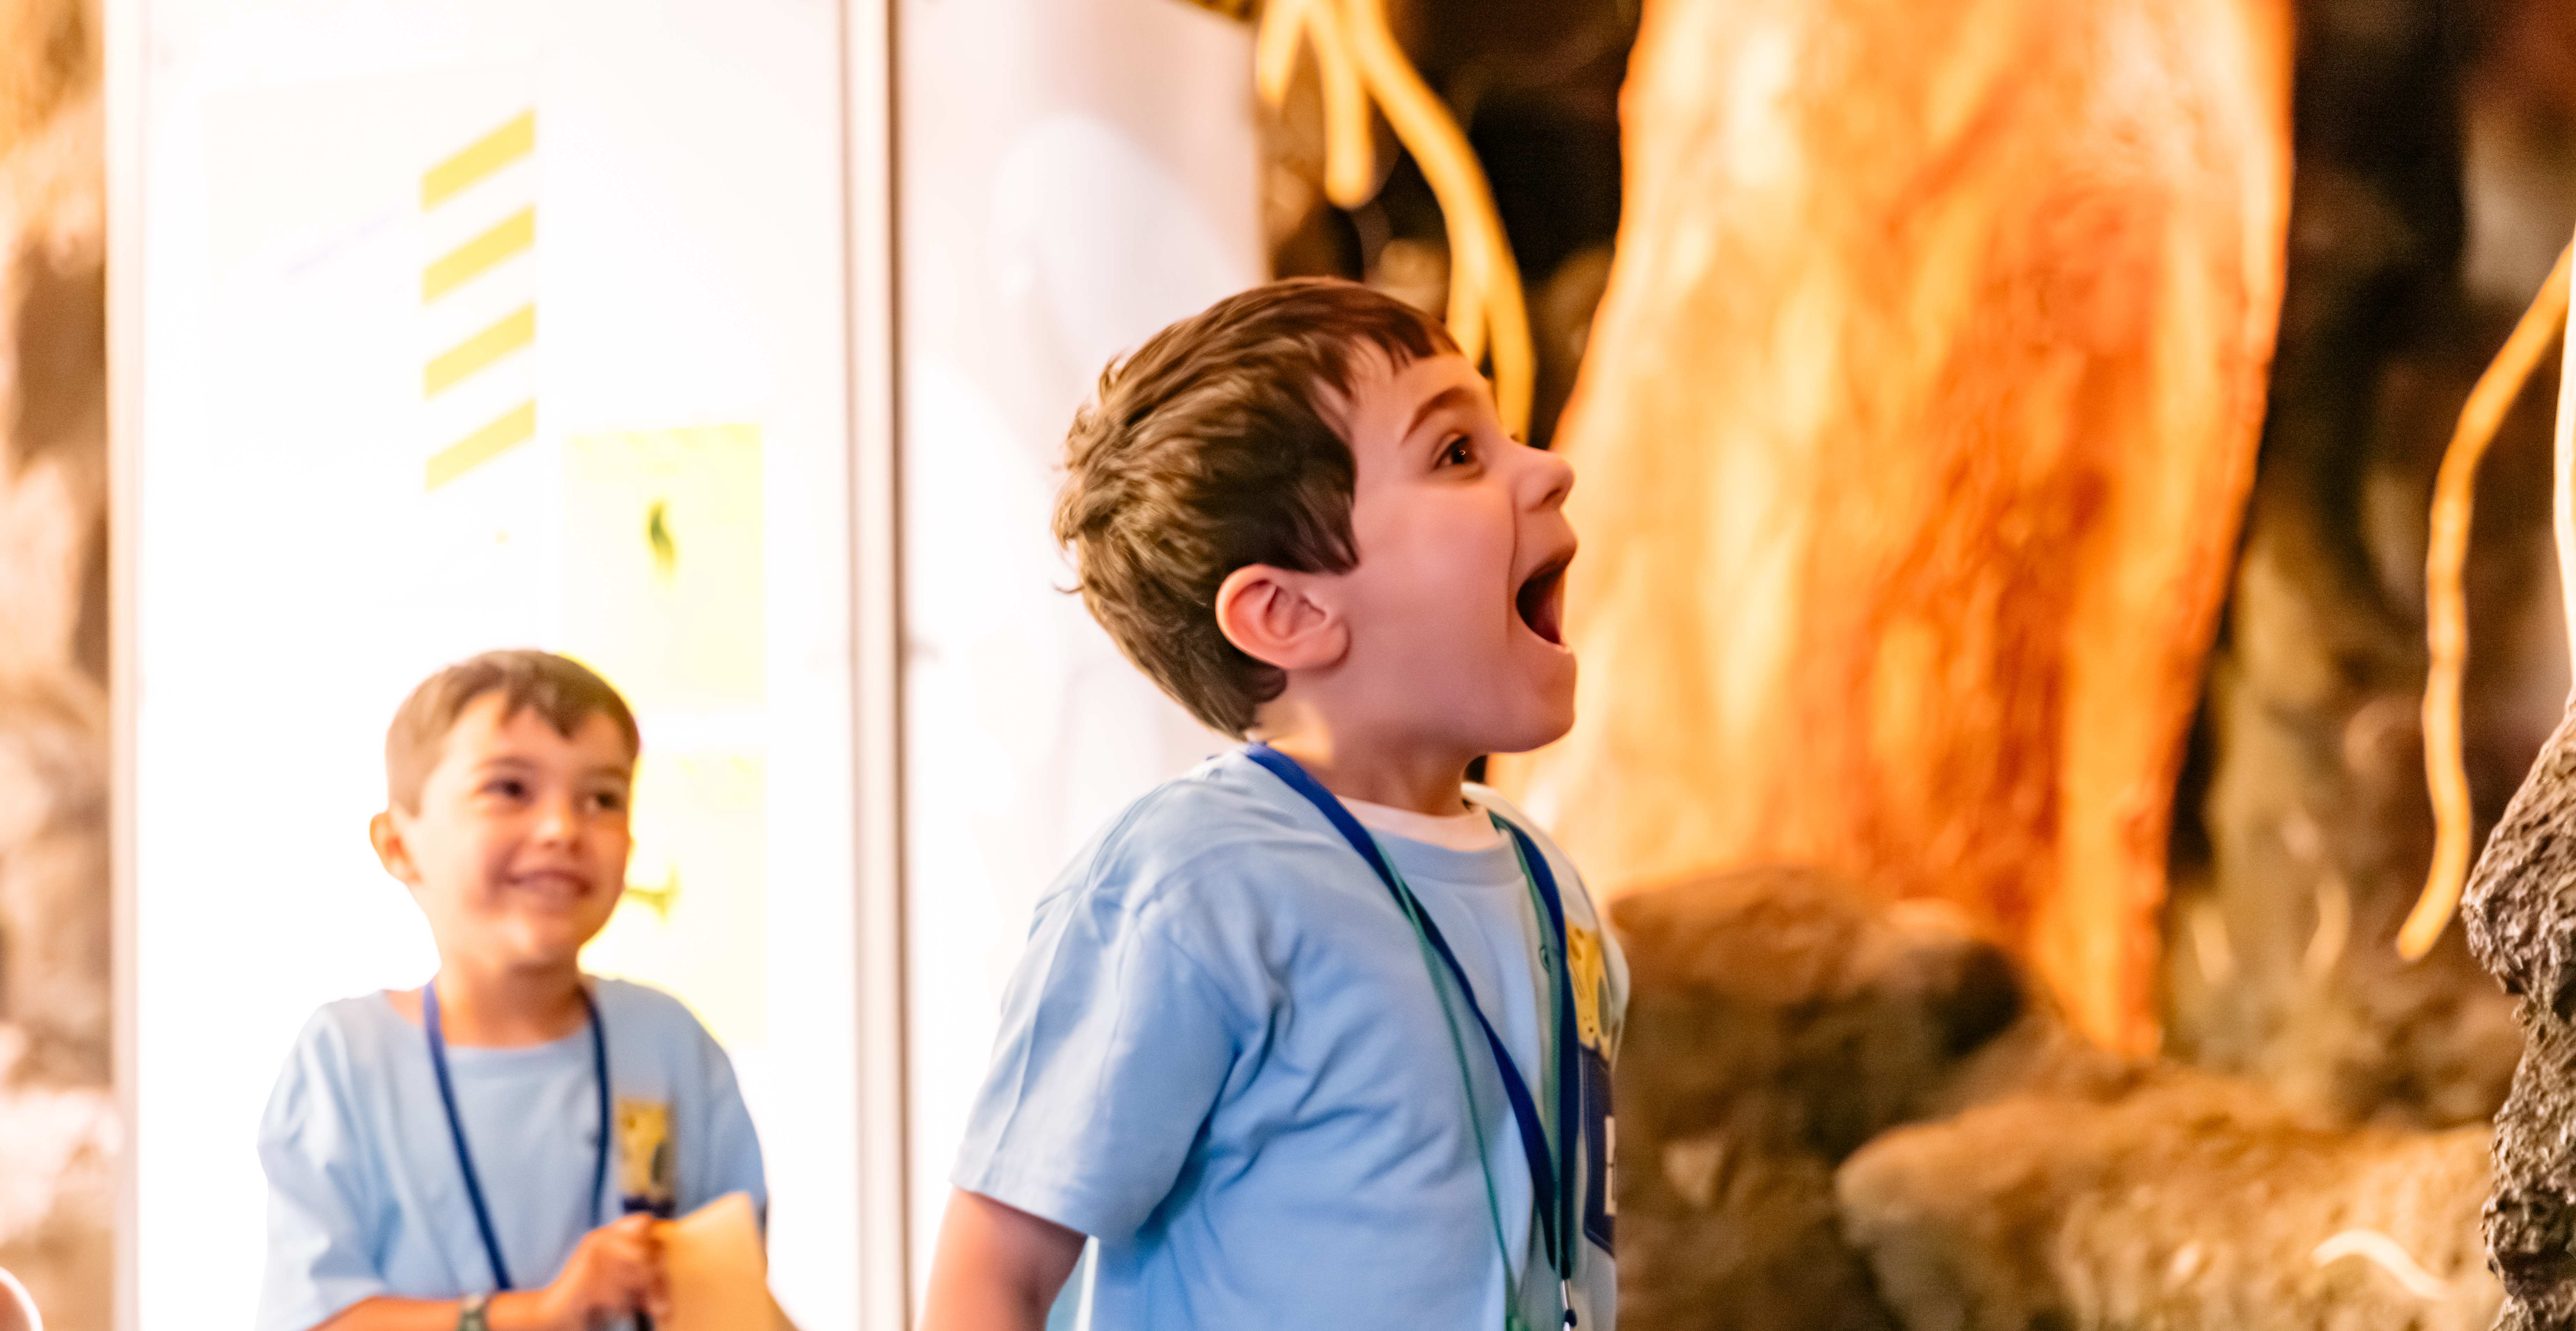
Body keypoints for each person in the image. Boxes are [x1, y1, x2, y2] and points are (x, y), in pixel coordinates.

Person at [920, 278, 1628, 1331]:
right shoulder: (1191, 883)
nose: (1549, 468)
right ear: (1288, 611)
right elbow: (993, 1276)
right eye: (1455, 453)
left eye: (1505, 433)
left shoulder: (1546, 880)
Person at [255, 650, 767, 1331]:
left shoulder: (669, 1045)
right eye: (509, 789)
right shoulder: (345, 1060)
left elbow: (730, 1300)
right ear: (399, 845)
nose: (561, 827)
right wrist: (544, 1313)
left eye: (602, 798)